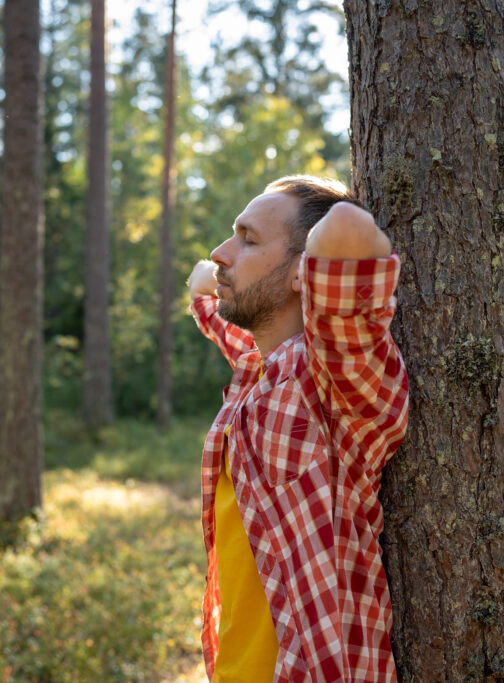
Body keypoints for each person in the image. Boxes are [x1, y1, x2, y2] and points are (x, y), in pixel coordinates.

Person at [187, 175, 409, 682]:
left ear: (304, 273)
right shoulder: (255, 372)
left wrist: (323, 253)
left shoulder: (336, 386)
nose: (222, 252)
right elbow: (226, 327)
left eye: (248, 239)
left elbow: (349, 231)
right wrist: (204, 299)